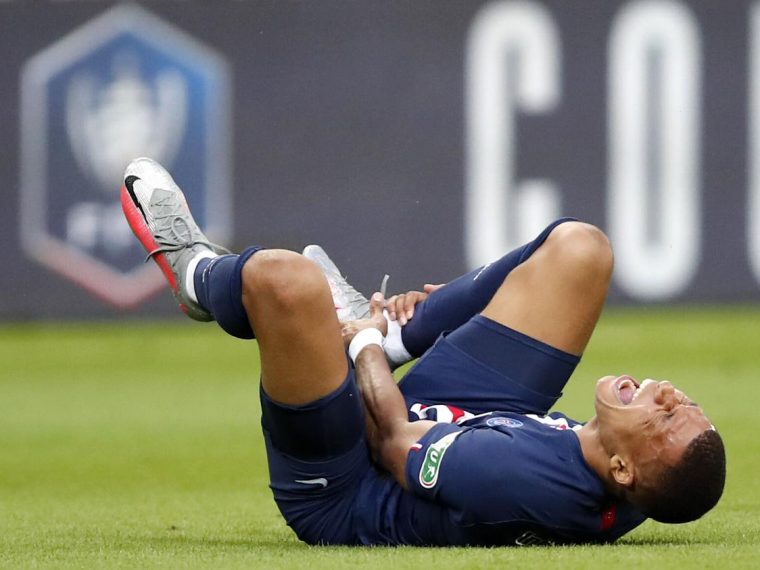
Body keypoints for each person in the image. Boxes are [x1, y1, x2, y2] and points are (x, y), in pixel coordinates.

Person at [121, 157, 725, 546]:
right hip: (478, 416)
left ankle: (195, 274)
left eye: (664, 415)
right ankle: (397, 334)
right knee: (581, 250)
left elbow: (390, 440)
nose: (668, 394)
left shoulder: (512, 475)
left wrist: (359, 343)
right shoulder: (643, 480)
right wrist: (401, 334)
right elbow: (678, 481)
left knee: (287, 283)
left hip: (352, 475)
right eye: (685, 402)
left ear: (621, 471)